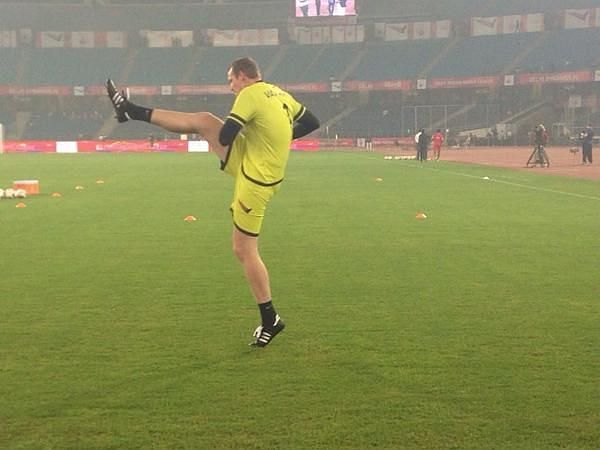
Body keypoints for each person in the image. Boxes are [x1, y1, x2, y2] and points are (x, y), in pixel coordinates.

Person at [106, 57, 320, 347]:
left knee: (243, 250)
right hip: (253, 162)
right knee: (204, 120)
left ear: (243, 76)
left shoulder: (249, 95)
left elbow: (226, 134)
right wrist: (277, 138)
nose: (230, 85)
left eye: (231, 79)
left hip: (255, 181)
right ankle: (129, 111)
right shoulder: (278, 92)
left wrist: (250, 129)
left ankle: (270, 319)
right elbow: (312, 121)